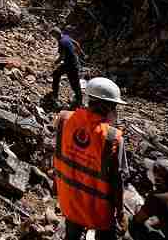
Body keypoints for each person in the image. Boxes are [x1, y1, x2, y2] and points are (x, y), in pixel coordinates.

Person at [54, 78, 128, 240]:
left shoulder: (64, 119)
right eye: (114, 106)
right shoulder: (112, 137)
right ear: (107, 106)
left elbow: (59, 155)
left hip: (69, 199)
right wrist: (120, 212)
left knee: (71, 235)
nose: (115, 111)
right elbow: (118, 180)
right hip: (98, 209)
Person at [50, 28, 85, 107]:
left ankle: (78, 101)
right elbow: (76, 43)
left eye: (53, 36)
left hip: (70, 65)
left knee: (73, 82)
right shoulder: (66, 36)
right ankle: (78, 99)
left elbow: (62, 56)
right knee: (57, 74)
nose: (53, 38)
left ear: (56, 35)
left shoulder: (61, 42)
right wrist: (81, 53)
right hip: (74, 62)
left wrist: (54, 63)